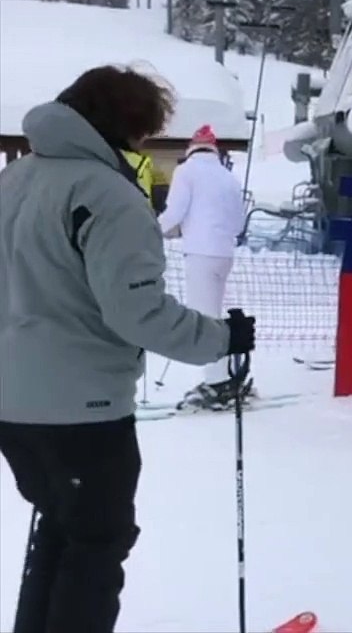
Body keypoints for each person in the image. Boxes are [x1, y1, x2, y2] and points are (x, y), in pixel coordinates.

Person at [0, 65, 256, 633]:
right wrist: (222, 338)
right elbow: (137, 312)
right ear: (130, 127)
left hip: (14, 407)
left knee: (63, 533)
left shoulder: (14, 180)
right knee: (95, 546)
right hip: (81, 409)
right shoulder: (107, 195)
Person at [157, 125, 252, 410]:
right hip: (224, 252)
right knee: (215, 313)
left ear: (191, 148)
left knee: (204, 317)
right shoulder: (227, 176)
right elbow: (238, 221)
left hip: (200, 251)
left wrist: (151, 230)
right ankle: (225, 374)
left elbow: (175, 210)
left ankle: (217, 382)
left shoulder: (186, 171)